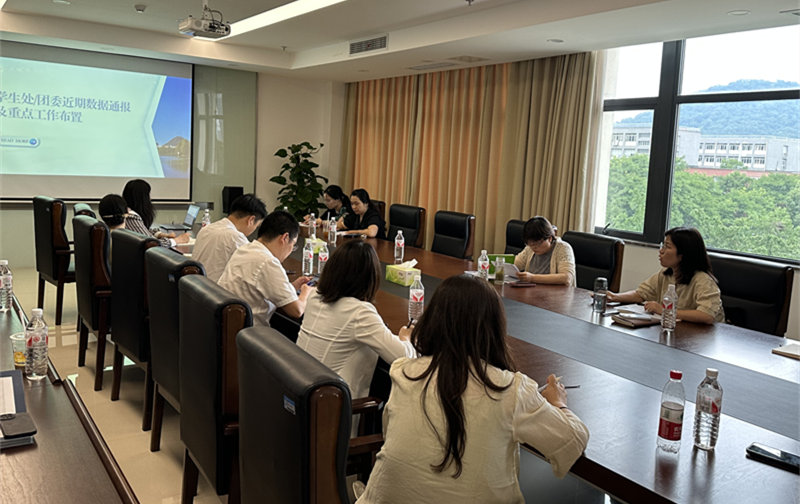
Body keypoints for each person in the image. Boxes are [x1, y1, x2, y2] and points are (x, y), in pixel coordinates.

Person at [357, 274, 589, 503]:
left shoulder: (404, 372)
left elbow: (391, 436)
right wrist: (558, 402)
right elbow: (573, 440)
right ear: (494, 329)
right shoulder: (511, 390)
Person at [296, 240, 415, 405]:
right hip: (333, 409)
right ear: (370, 278)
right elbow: (404, 358)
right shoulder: (359, 313)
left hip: (301, 393)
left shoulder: (315, 296)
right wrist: (406, 337)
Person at [607, 227, 724, 324]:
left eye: (667, 247)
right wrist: (615, 296)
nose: (661, 251)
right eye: (663, 245)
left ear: (683, 254)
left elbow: (707, 315)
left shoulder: (703, 280)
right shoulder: (666, 274)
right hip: (676, 330)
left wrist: (665, 311)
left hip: (704, 338)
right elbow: (641, 294)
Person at [218, 210, 313, 326]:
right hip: (250, 332)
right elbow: (297, 310)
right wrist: (306, 292)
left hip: (229, 325)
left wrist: (292, 287)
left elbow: (265, 288)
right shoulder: (267, 261)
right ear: (285, 238)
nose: (290, 251)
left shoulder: (245, 249)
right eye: (293, 245)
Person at [192, 193, 267, 283]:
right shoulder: (236, 237)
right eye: (257, 226)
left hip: (197, 286)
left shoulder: (207, 229)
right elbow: (256, 267)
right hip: (215, 289)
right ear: (251, 220)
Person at [122, 179, 191, 247]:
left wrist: (160, 235)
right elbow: (152, 244)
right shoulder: (131, 217)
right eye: (148, 195)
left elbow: (144, 230)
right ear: (142, 199)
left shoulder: (127, 214)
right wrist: (177, 240)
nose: (150, 199)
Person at [514, 216, 575, 286]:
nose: (534, 247)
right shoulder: (530, 248)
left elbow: (566, 278)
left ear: (549, 238)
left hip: (555, 292)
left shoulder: (563, 248)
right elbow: (515, 264)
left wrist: (532, 278)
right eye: (530, 243)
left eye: (538, 243)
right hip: (532, 290)